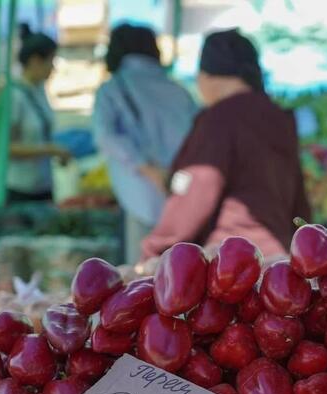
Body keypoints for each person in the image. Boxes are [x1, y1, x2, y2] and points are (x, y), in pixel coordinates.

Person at [141, 29, 311, 260]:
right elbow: (297, 196)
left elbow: (199, 183)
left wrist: (156, 249)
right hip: (277, 257)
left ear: (207, 76)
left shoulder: (219, 118)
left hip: (229, 259)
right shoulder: (279, 118)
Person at [93, 24, 198, 264]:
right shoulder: (179, 90)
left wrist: (148, 170)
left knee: (141, 274)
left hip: (139, 196)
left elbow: (105, 136)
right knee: (183, 271)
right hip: (181, 195)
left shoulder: (112, 89)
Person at [7, 24, 70, 203]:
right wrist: (48, 149)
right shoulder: (14, 96)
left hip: (43, 186)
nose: (53, 68)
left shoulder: (40, 90)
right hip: (20, 189)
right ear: (35, 61)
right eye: (51, 61)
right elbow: (6, 147)